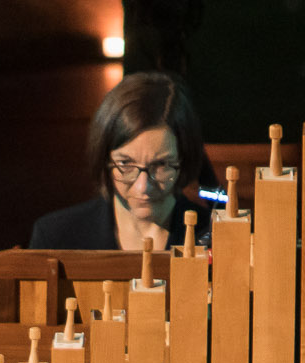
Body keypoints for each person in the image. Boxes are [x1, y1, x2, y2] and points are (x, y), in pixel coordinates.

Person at [28, 71, 212, 253]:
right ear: (105, 158)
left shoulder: (214, 237)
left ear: (184, 159)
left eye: (161, 165)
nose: (143, 188)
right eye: (125, 164)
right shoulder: (56, 238)